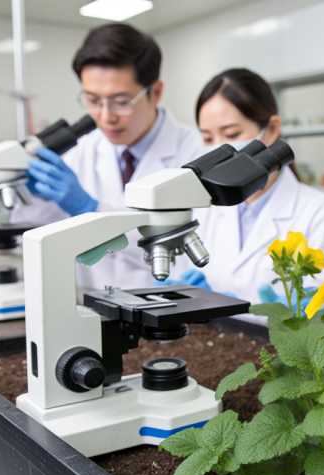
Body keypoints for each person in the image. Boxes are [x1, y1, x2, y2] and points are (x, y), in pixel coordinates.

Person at [11, 23, 202, 290]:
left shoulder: (196, 151)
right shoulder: (82, 150)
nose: (105, 116)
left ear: (156, 92)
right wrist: (34, 199)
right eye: (93, 100)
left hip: (170, 308)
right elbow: (31, 237)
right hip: (91, 305)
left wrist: (92, 211)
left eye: (121, 102)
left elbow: (194, 249)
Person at [170, 68, 324, 305]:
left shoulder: (321, 212)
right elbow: (182, 274)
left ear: (272, 129)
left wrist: (245, 309)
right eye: (208, 138)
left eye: (231, 134)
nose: (218, 150)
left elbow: (318, 310)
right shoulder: (203, 208)